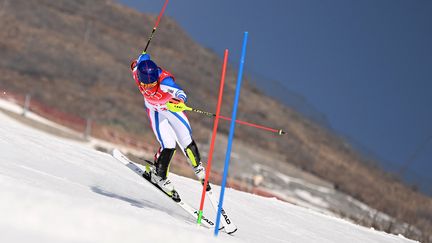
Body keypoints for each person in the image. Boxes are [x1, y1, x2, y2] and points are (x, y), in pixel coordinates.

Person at [130, 52, 205, 195]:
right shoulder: (136, 72)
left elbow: (181, 93)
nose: (148, 87)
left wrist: (179, 102)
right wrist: (142, 56)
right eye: (145, 84)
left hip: (170, 109)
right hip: (155, 111)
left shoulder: (165, 82)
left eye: (152, 84)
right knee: (169, 144)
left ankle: (198, 167)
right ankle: (160, 176)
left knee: (185, 138)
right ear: (140, 78)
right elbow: (139, 60)